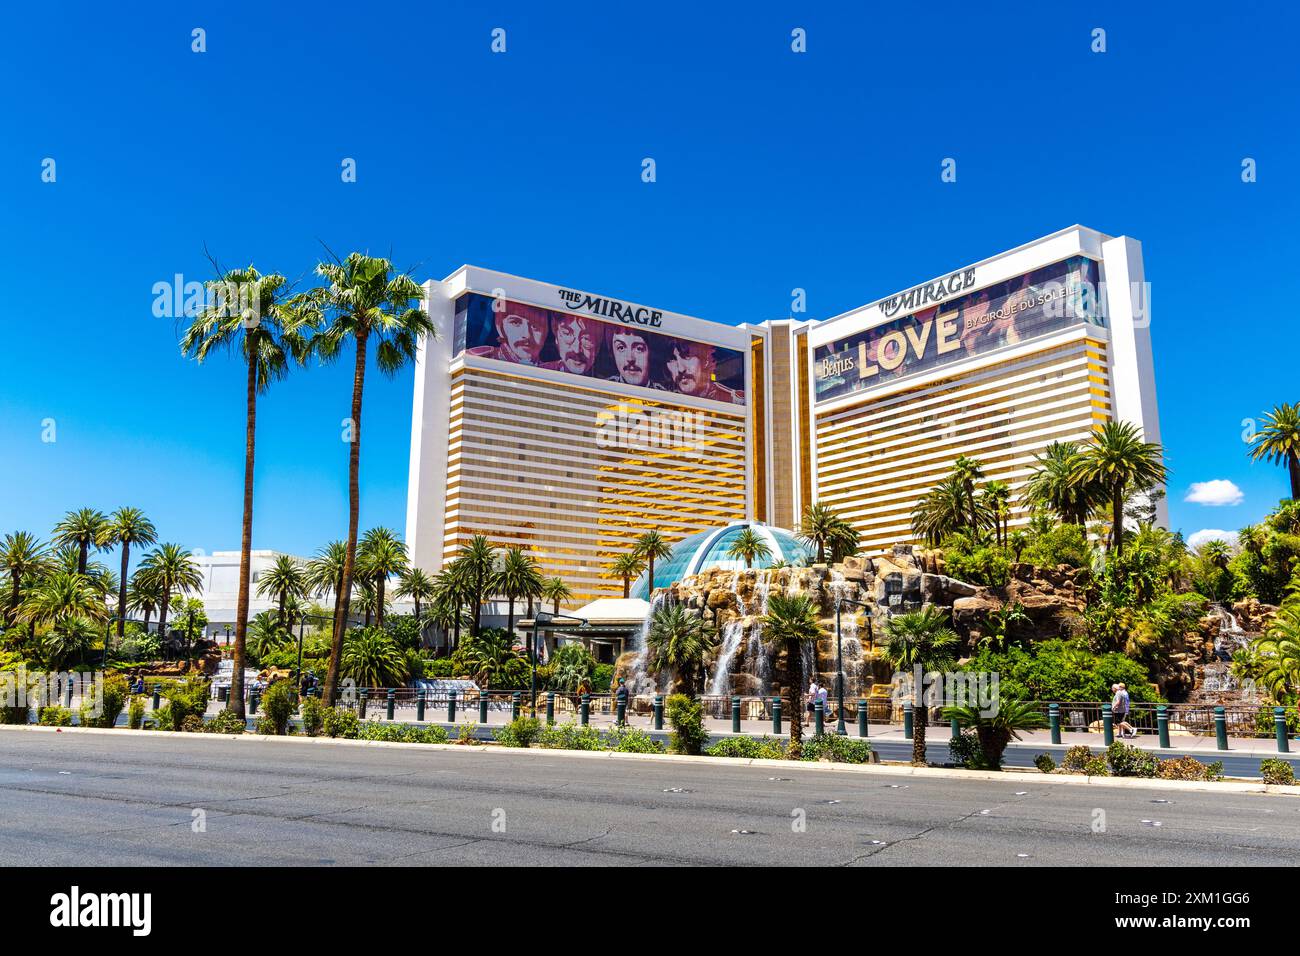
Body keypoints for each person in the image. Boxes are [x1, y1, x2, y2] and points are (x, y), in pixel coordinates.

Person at [467, 301, 549, 365]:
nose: (527, 334)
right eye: (516, 323)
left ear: (545, 332)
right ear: (500, 327)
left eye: (535, 326)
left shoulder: (552, 370)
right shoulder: (477, 357)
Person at [664, 340, 743, 403]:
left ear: (705, 360)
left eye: (687, 356)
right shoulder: (662, 402)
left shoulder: (734, 401)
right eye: (672, 359)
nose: (680, 369)